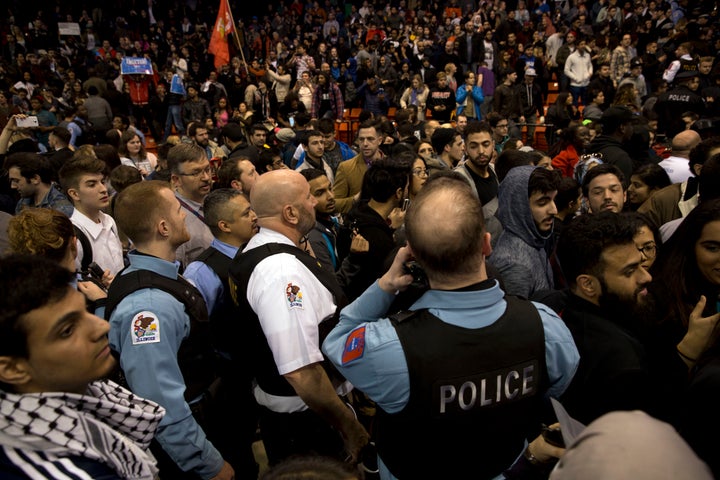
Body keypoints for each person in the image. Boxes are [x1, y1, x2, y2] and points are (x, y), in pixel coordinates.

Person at [322, 174, 579, 479]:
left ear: (412, 256)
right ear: (486, 244)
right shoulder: (546, 327)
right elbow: (555, 387)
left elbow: (336, 341)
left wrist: (386, 285)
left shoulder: (390, 348)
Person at [228, 169, 369, 465]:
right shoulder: (281, 273)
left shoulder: (255, 249)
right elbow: (301, 373)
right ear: (290, 213)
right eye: (308, 197)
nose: (315, 203)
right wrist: (350, 426)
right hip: (307, 423)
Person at [108, 180, 235, 480]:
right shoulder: (149, 307)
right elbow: (161, 404)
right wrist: (209, 464)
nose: (186, 216)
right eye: (179, 211)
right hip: (188, 441)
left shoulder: (158, 275)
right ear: (163, 228)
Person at [0, 254, 164, 479]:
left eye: (85, 312)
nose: (102, 327)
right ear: (12, 369)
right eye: (67, 330)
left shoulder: (83, 391)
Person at [183, 188, 259, 478]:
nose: (254, 216)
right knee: (240, 450)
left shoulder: (257, 251)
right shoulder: (202, 271)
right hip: (231, 377)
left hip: (261, 367)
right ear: (224, 225)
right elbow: (201, 331)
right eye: (245, 213)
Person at [555, 212, 655, 424]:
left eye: (641, 264)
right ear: (588, 284)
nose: (646, 277)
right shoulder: (622, 362)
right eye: (629, 271)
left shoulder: (562, 313)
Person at [338, 158, 410, 301]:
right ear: (399, 193)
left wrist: (390, 229)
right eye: (407, 188)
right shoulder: (379, 239)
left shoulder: (354, 215)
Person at [489, 165, 560, 298]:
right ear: (519, 206)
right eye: (542, 203)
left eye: (553, 200)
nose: (554, 210)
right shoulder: (514, 266)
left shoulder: (532, 236)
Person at [58, 155, 124, 276]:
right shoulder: (74, 237)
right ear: (74, 194)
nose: (103, 189)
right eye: (92, 184)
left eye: (102, 182)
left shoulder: (108, 220)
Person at [334, 119, 384, 214]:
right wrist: (354, 199)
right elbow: (334, 204)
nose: (365, 144)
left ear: (380, 140)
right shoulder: (346, 167)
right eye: (361, 139)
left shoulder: (391, 165)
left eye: (370, 139)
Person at [4, 150, 73, 217]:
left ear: (35, 179)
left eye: (16, 181)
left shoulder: (61, 209)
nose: (12, 186)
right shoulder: (24, 201)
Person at [586, 106, 635, 182]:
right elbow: (621, 190)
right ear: (622, 128)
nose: (632, 128)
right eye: (631, 125)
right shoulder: (620, 157)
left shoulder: (592, 146)